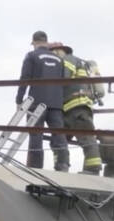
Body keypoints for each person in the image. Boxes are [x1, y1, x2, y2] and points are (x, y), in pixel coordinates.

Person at [16, 31, 70, 171]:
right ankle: (63, 165)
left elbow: (25, 78)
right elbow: (64, 82)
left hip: (37, 102)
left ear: (34, 42)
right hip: (56, 104)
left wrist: (19, 100)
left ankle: (36, 168)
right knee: (59, 134)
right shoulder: (59, 59)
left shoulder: (31, 56)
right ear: (46, 42)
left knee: (36, 135)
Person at [50, 42, 102, 175]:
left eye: (53, 52)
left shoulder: (68, 59)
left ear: (58, 51)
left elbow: (64, 77)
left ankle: (92, 169)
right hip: (69, 109)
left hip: (77, 107)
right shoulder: (79, 62)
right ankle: (61, 166)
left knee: (86, 137)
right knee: (58, 139)